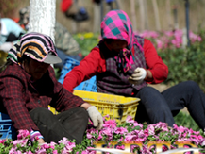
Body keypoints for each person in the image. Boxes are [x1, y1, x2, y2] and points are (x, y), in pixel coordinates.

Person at [63, 9, 205, 130]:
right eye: (110, 42)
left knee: (190, 88)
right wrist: (68, 99)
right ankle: (169, 141)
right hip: (120, 112)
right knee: (149, 92)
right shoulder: (100, 54)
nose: (116, 46)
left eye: (120, 41)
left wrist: (147, 74)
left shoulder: (143, 46)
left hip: (149, 106)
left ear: (128, 35)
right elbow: (76, 74)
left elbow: (162, 71)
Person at [0, 33, 103, 144]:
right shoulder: (11, 76)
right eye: (38, 62)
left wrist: (87, 107)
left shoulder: (46, 73)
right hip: (8, 127)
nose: (42, 66)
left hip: (37, 124)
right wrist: (37, 139)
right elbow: (17, 109)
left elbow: (61, 97)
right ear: (26, 59)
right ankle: (67, 148)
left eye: (46, 62)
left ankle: (67, 146)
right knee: (40, 113)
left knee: (79, 112)